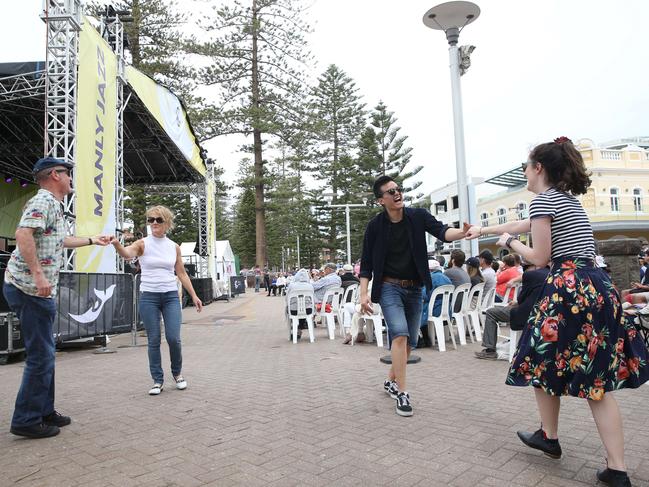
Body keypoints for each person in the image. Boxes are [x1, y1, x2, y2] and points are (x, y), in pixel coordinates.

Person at [467, 136, 648, 486]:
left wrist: (507, 244)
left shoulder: (545, 200)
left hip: (568, 289)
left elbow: (539, 257)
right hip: (596, 287)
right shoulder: (565, 200)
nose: (523, 171)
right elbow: (523, 224)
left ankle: (553, 438)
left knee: (540, 358)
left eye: (526, 165)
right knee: (589, 377)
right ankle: (612, 465)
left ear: (539, 168)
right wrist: (485, 230)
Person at [3, 157, 112, 438]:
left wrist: (92, 240)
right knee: (41, 356)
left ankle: (43, 411)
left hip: (34, 290)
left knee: (46, 353)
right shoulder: (43, 201)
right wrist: (38, 275)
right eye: (68, 174)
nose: (71, 179)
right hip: (29, 289)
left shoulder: (54, 205)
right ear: (55, 175)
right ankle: (26, 420)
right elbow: (23, 234)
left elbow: (58, 239)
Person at [360, 175, 466, 417]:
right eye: (390, 191)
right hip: (389, 287)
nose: (397, 193)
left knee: (411, 342)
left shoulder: (418, 217)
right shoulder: (375, 227)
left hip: (415, 287)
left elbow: (442, 231)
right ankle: (403, 393)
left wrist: (462, 233)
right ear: (381, 200)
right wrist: (363, 292)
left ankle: (391, 381)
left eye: (398, 189)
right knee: (399, 333)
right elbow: (366, 263)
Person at [112, 205, 203, 396]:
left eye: (158, 220)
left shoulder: (174, 247)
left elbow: (182, 274)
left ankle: (177, 374)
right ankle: (157, 380)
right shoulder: (142, 244)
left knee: (173, 338)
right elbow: (127, 254)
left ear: (167, 223)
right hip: (149, 297)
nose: (154, 223)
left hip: (170, 296)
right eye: (150, 219)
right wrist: (117, 244)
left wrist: (194, 296)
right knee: (153, 340)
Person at [474, 263, 549, 359]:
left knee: (491, 312)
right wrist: (517, 302)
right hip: (542, 314)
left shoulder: (531, 275)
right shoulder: (551, 274)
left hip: (526, 315)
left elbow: (522, 297)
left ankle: (490, 350)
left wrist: (518, 302)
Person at [419, 259, 452, 348]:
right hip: (447, 310)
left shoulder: (430, 278)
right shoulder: (446, 278)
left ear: (429, 270)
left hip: (434, 310)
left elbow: (424, 296)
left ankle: (424, 338)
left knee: (418, 309)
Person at [285, 269, 314, 341]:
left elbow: (287, 298)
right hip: (308, 310)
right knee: (304, 308)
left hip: (293, 311)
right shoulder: (310, 286)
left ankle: (295, 329)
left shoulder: (292, 285)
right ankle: (300, 328)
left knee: (292, 308)